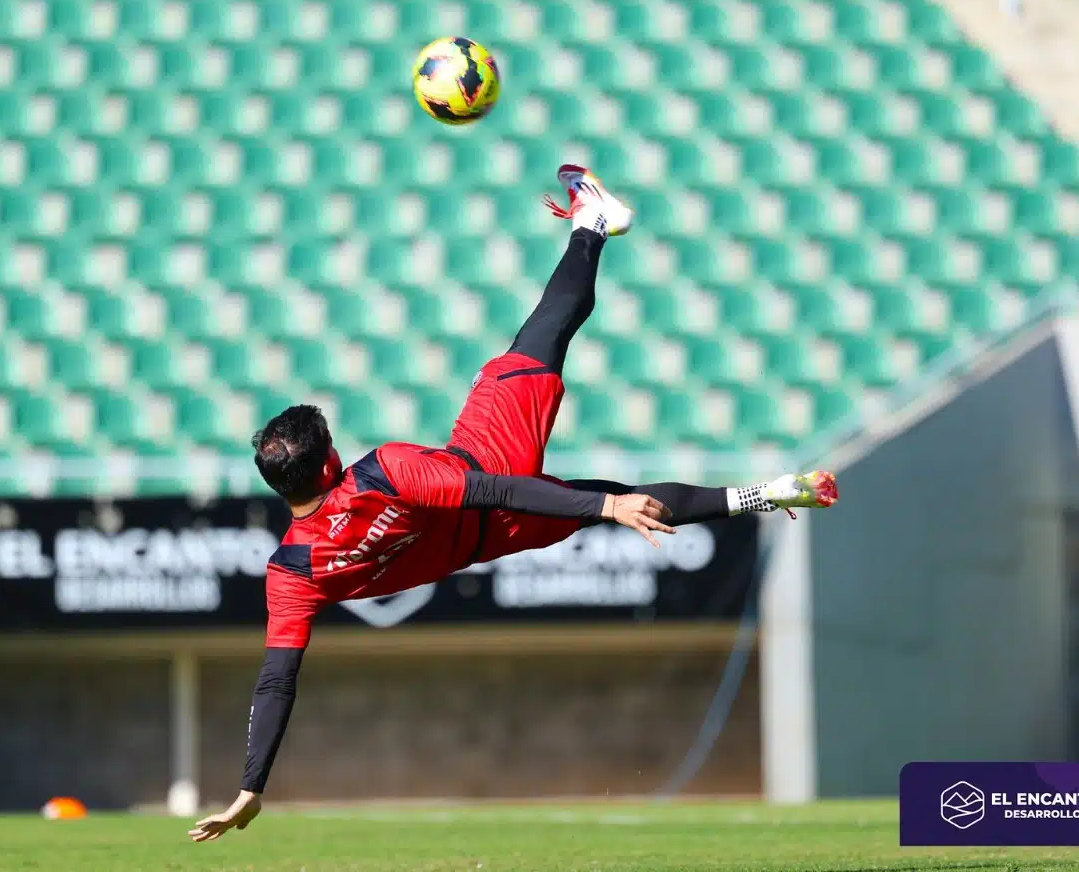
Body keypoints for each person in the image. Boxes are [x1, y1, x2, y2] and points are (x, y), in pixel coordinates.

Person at [189, 165, 838, 843]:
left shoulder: (290, 575)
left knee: (627, 497)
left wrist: (249, 788)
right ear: (329, 460)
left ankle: (768, 493)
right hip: (492, 461)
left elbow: (277, 681)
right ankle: (592, 226)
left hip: (501, 536)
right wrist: (599, 510)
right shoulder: (381, 472)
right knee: (548, 331)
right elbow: (492, 485)